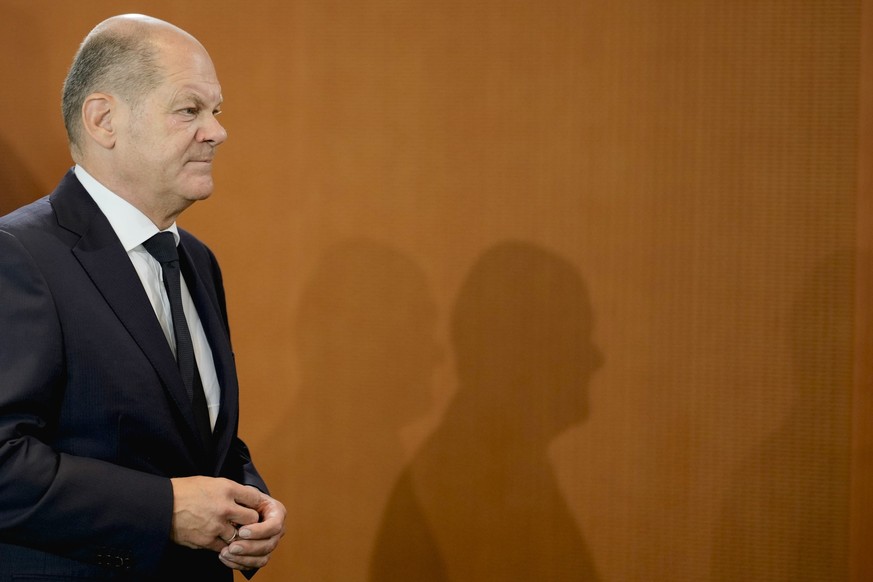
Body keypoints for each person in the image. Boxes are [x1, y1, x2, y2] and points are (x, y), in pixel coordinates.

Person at [0, 14, 285, 580]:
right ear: (104, 119)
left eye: (216, 110)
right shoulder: (17, 255)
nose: (217, 131)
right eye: (190, 109)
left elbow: (191, 438)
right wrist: (165, 510)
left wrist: (247, 502)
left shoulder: (196, 260)